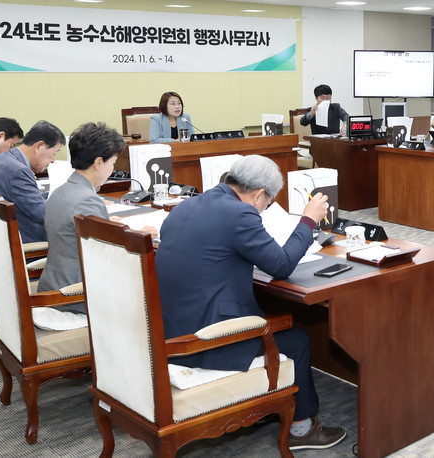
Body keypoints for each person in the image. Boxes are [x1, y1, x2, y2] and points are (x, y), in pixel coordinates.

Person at [155, 155, 346, 451]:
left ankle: (266, 404)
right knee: (297, 339)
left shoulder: (187, 206)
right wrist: (308, 220)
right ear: (258, 195)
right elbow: (281, 265)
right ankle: (301, 428)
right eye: (267, 204)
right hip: (205, 340)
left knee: (270, 314)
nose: (264, 209)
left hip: (170, 328)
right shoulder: (239, 213)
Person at [37, 122, 126, 298]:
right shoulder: (88, 201)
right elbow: (108, 255)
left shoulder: (60, 191)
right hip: (76, 295)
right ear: (98, 162)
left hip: (53, 285)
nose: (112, 169)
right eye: (113, 163)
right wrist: (134, 235)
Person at [0, 120, 65, 253]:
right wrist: (70, 203)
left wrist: (53, 196)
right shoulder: (19, 171)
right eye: (54, 153)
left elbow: (27, 199)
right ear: (39, 146)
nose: (53, 160)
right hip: (16, 250)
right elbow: (44, 215)